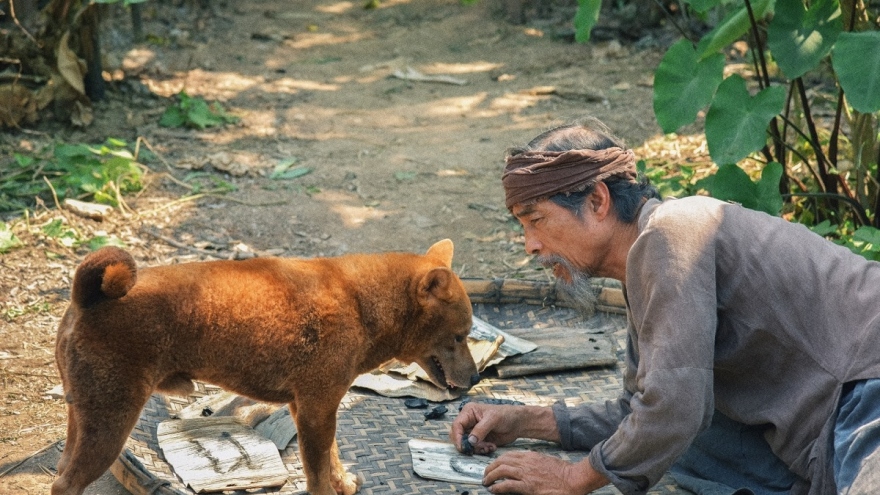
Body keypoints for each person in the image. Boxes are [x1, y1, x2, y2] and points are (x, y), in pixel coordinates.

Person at [450, 117, 880, 495]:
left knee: (672, 432)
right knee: (676, 446)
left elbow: (674, 406)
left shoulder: (670, 233)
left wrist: (572, 479)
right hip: (821, 429)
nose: (530, 246)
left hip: (866, 390)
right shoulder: (648, 260)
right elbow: (639, 411)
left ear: (597, 201)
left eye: (536, 220)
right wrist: (528, 422)